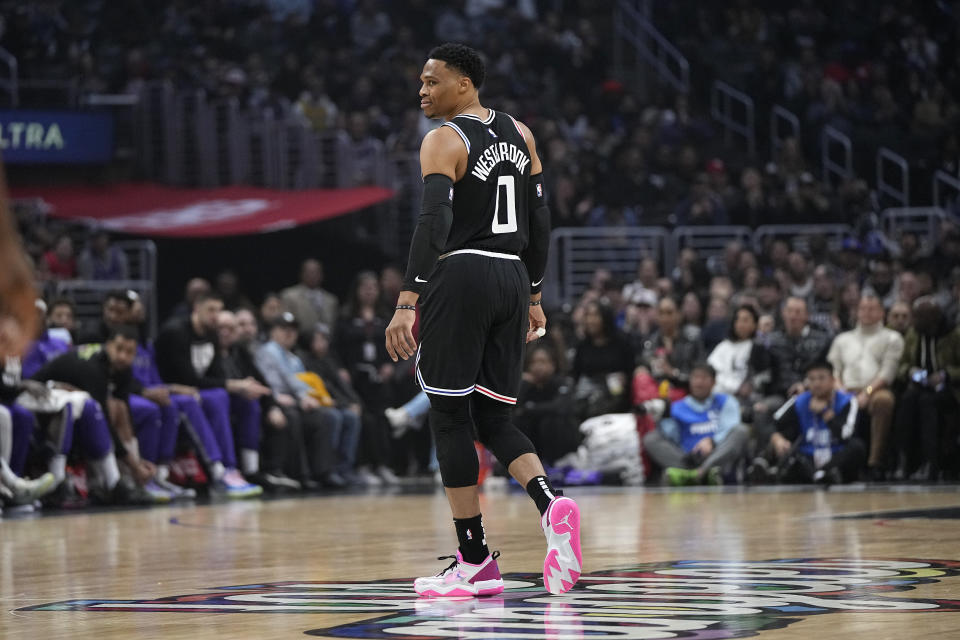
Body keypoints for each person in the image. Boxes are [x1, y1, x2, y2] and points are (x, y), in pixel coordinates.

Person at [384, 43, 580, 597]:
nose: (422, 92)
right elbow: (541, 221)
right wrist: (536, 292)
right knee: (492, 418)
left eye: (432, 81)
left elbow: (434, 218)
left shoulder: (444, 139)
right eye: (421, 83)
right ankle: (551, 503)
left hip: (462, 274)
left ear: (466, 83)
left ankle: (473, 561)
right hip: (514, 279)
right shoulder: (522, 134)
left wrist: (406, 300)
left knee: (448, 419)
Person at [155, 292, 265, 497]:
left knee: (246, 400)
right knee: (219, 396)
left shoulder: (211, 334)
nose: (215, 316)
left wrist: (239, 387)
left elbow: (215, 375)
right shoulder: (175, 332)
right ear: (197, 308)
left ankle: (251, 470)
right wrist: (233, 384)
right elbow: (187, 379)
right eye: (210, 310)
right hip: (172, 389)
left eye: (218, 310)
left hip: (200, 391)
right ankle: (224, 469)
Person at [827, 294, 905, 479]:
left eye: (872, 309)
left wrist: (867, 392)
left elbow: (888, 373)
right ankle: (832, 463)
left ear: (881, 312)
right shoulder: (842, 339)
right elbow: (834, 370)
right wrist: (841, 390)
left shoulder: (892, 338)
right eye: (863, 308)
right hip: (845, 389)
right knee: (820, 399)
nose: (867, 312)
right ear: (857, 311)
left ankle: (875, 463)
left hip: (875, 390)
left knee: (884, 401)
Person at [755, 361, 865, 485]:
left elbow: (847, 435)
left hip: (836, 456)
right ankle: (767, 468)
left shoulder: (848, 401)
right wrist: (777, 438)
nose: (816, 384)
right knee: (784, 440)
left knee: (857, 447)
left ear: (833, 380)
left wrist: (826, 414)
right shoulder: (800, 400)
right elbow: (773, 421)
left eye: (821, 378)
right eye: (812, 379)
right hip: (808, 456)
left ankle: (825, 474)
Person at [642, 362, 749, 486]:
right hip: (687, 458)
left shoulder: (726, 401)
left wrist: (712, 441)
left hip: (717, 455)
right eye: (695, 378)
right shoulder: (677, 406)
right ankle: (694, 473)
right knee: (650, 438)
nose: (699, 382)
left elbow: (731, 426)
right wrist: (663, 417)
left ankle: (700, 472)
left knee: (741, 431)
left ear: (714, 382)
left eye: (704, 378)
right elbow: (673, 437)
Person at [892, 296, 960, 481]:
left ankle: (931, 462)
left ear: (934, 318)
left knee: (927, 402)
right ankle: (903, 460)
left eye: (919, 317)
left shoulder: (954, 335)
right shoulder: (914, 334)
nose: (914, 321)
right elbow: (902, 365)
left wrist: (945, 374)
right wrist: (911, 372)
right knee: (906, 401)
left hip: (950, 389)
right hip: (920, 385)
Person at [281, 259, 340, 337]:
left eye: (316, 272)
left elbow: (334, 326)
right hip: (300, 344)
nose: (313, 275)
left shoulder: (331, 300)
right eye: (309, 272)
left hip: (327, 344)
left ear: (322, 275)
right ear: (301, 274)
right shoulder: (289, 296)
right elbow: (287, 324)